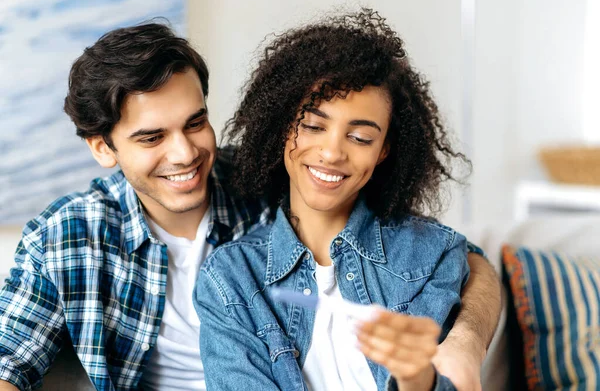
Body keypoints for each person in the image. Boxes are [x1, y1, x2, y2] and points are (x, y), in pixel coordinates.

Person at [0, 21, 498, 391]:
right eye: (152, 137)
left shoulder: (267, 178)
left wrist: (465, 342)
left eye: (195, 122)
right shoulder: (66, 236)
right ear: (102, 148)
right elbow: (8, 366)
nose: (184, 153)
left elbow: (457, 257)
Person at [194, 9, 497, 391]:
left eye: (360, 138)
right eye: (314, 126)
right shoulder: (231, 278)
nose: (332, 152)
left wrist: (417, 377)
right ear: (281, 124)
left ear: (384, 150)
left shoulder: (429, 255)